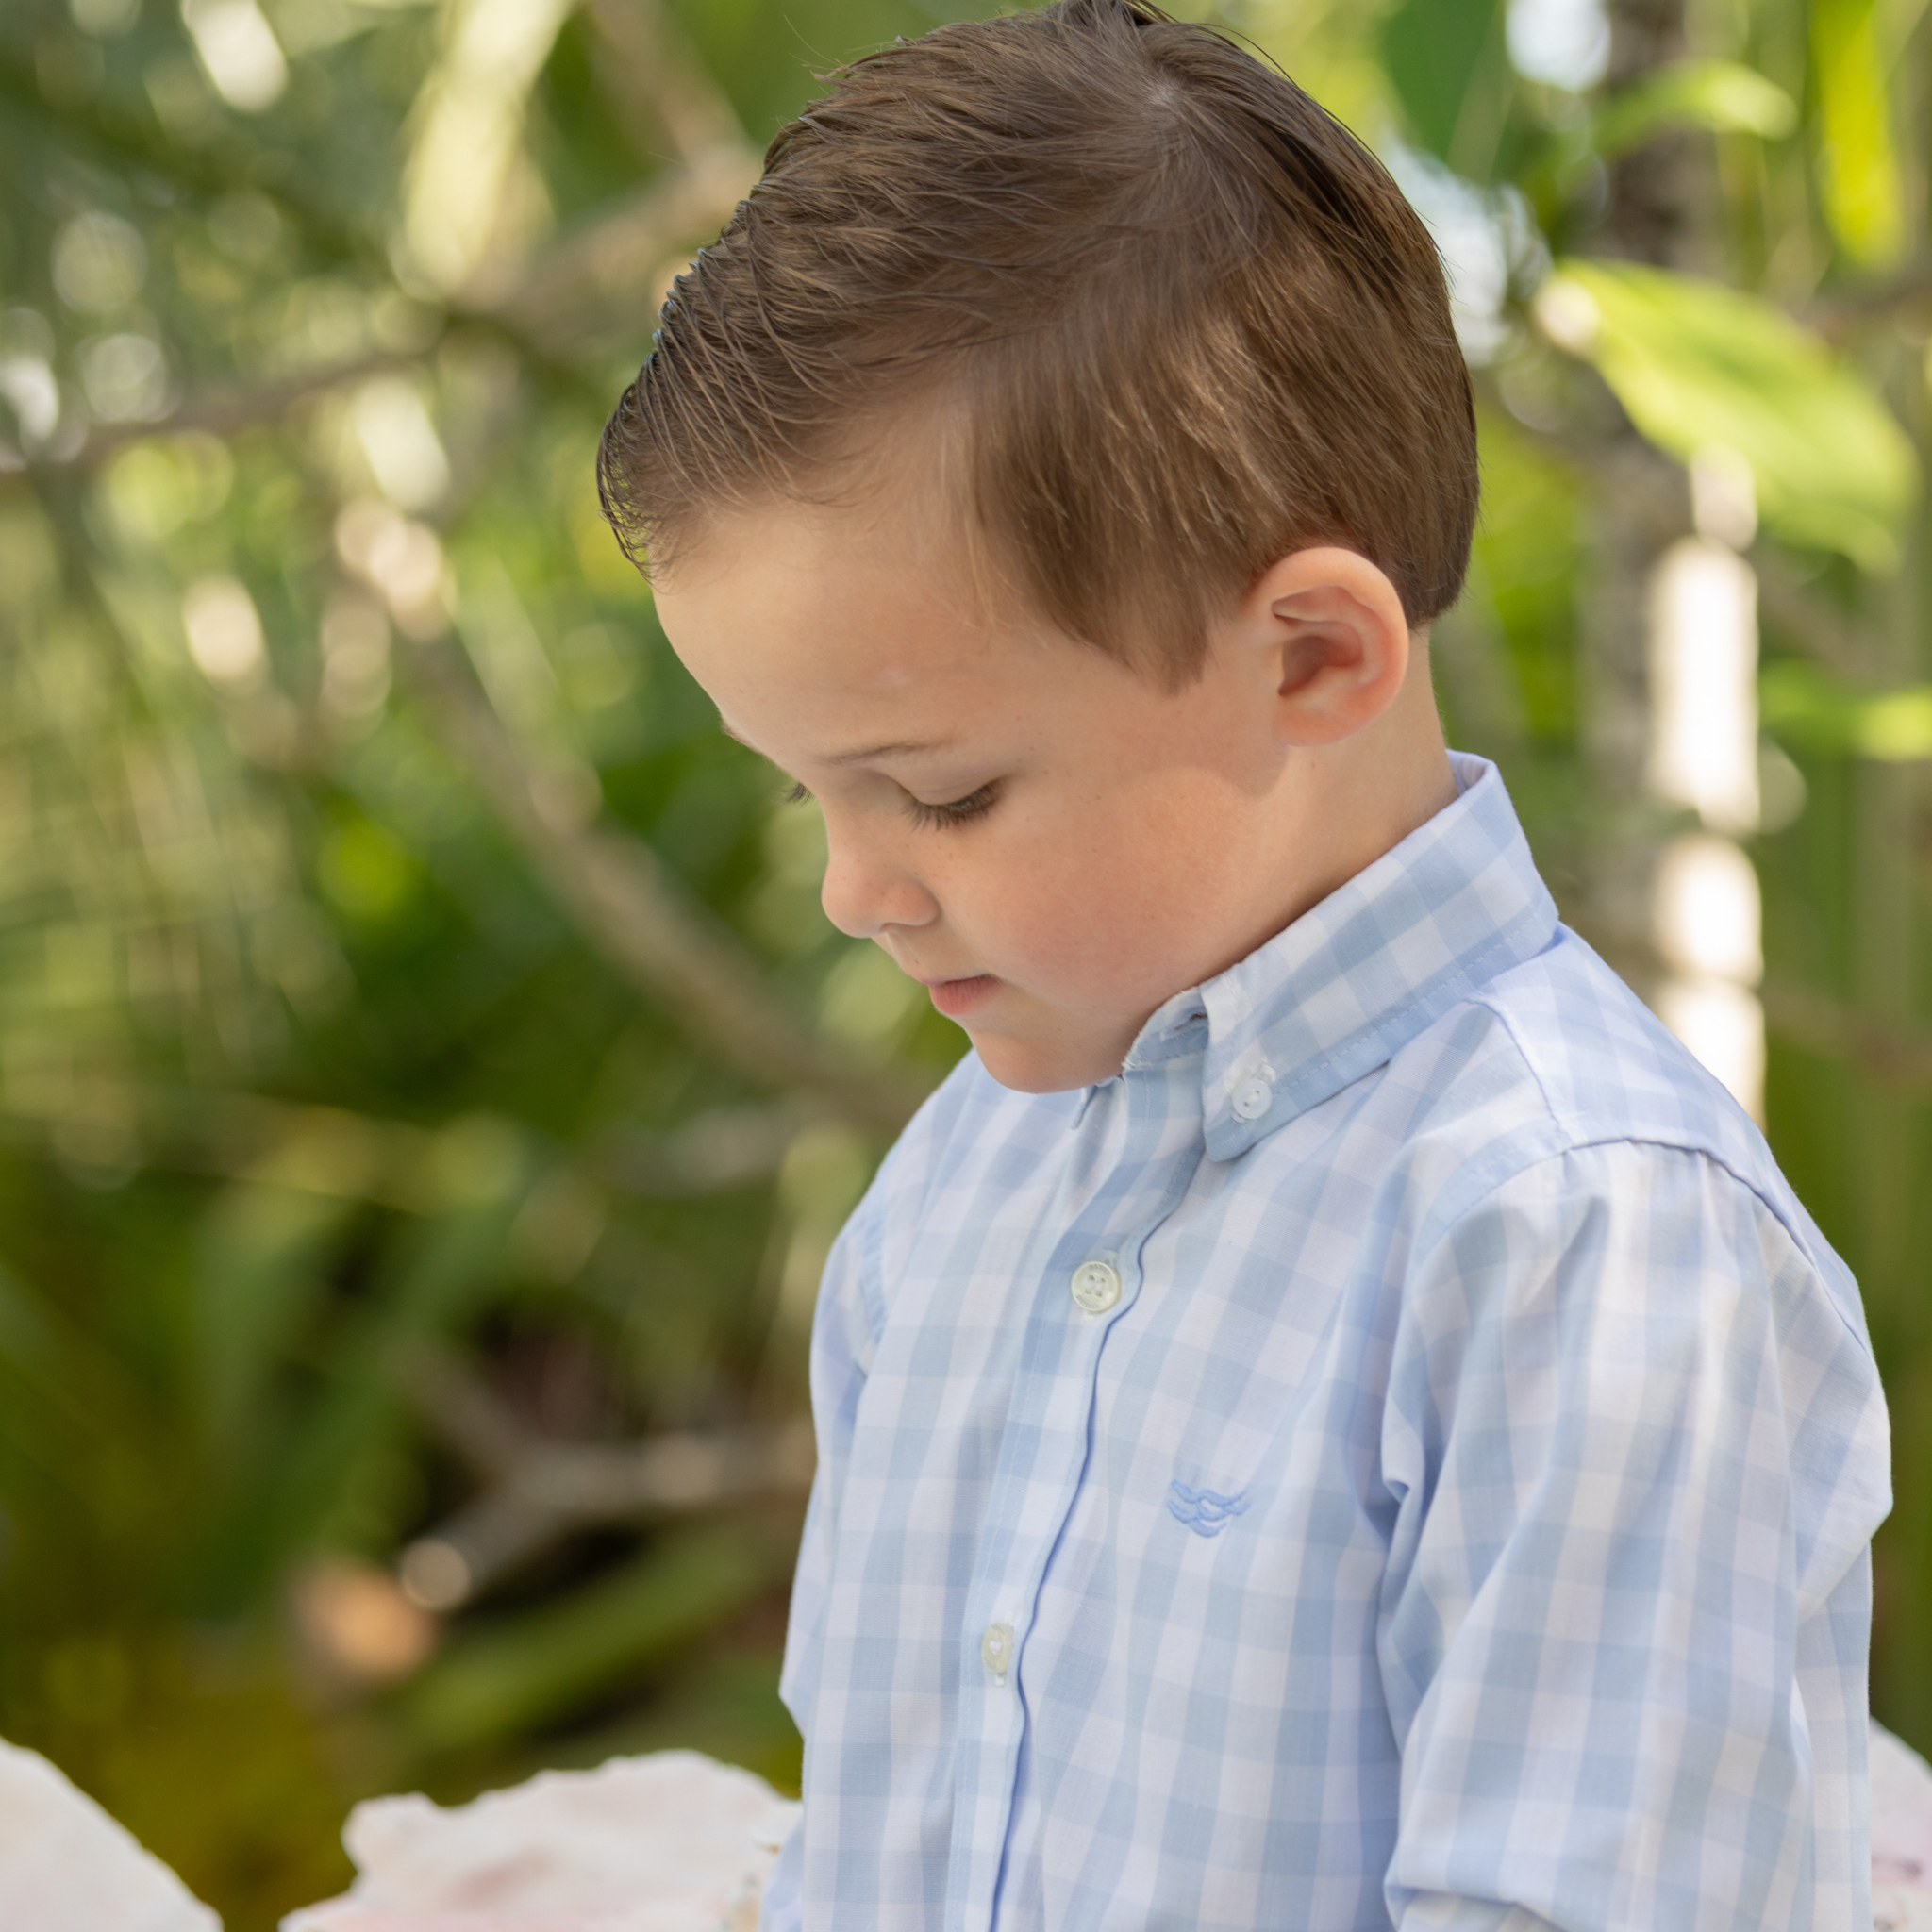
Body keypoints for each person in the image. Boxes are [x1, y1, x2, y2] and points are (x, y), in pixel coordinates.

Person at [596, 3, 1892, 1925]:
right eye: (812, 802)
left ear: (1308, 658)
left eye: (938, 794)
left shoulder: (1581, 1245)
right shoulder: (952, 1199)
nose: (855, 890)